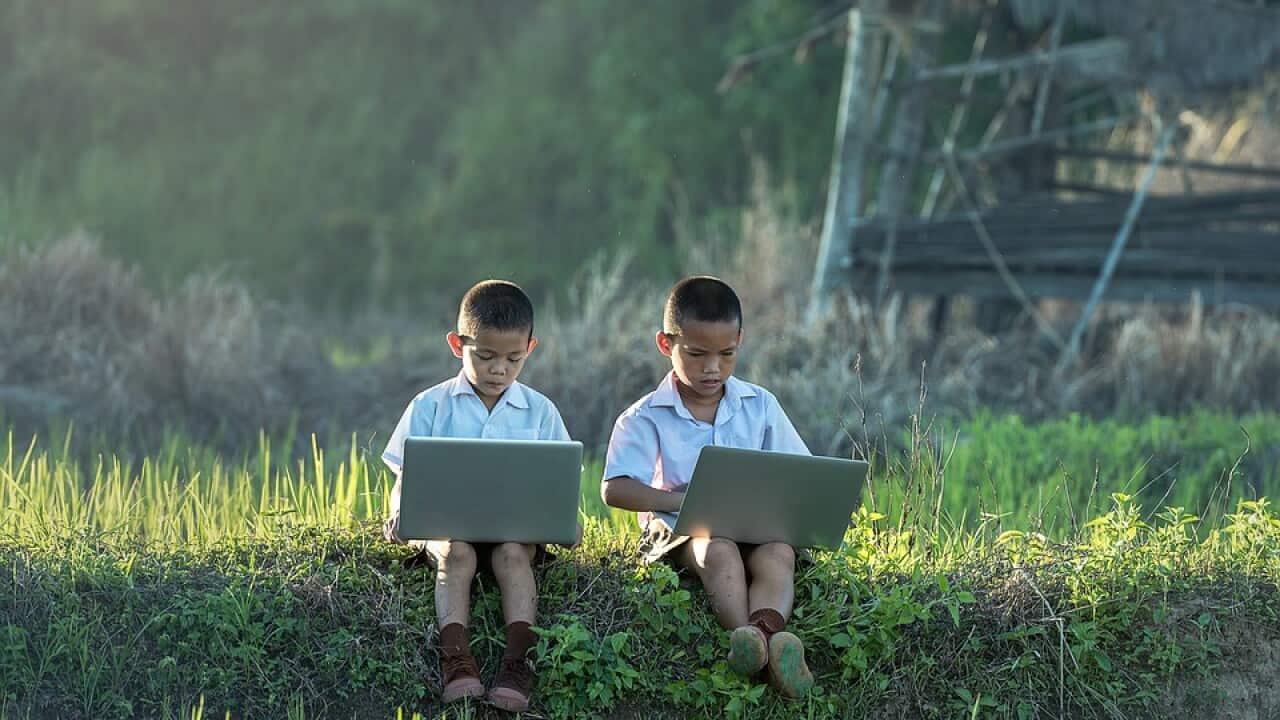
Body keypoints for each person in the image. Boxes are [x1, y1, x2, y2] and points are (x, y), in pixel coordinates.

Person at [600, 275, 814, 698]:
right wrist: (680, 500)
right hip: (681, 526)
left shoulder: (760, 405)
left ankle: (760, 637)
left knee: (778, 553)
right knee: (716, 549)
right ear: (666, 344)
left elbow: (799, 470)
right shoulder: (646, 416)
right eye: (696, 354)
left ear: (740, 341)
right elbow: (616, 488)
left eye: (726, 354)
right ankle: (758, 643)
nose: (712, 368)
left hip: (751, 520)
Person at [381, 279, 574, 713]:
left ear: (531, 347)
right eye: (484, 357)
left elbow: (556, 479)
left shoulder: (541, 411)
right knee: (457, 553)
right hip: (447, 525)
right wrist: (398, 514)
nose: (499, 370)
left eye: (513, 359)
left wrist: (566, 520)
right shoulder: (430, 405)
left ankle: (517, 661)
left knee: (513, 555)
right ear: (457, 344)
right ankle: (456, 658)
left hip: (514, 529)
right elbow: (406, 474)